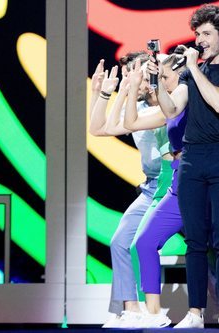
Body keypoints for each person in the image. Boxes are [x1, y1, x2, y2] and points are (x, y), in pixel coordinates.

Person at [125, 50, 219, 329]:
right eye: (161, 75)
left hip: (209, 176)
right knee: (147, 242)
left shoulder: (197, 98)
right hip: (180, 182)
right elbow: (131, 123)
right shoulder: (170, 104)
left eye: (167, 74)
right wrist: (129, 88)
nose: (164, 78)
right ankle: (155, 312)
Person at [89, 52, 172, 328]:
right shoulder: (135, 104)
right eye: (128, 74)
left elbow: (124, 123)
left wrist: (122, 94)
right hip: (151, 188)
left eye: (135, 73)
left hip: (174, 186)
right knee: (120, 242)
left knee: (205, 249)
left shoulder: (165, 104)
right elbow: (98, 128)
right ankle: (132, 309)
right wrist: (101, 93)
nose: (130, 78)